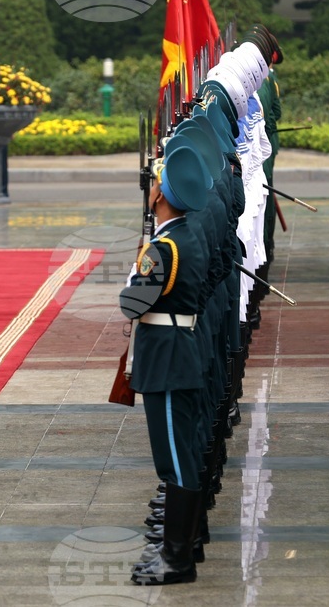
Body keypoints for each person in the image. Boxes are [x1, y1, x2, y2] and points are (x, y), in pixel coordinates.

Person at [118, 143, 212, 586]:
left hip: (168, 358)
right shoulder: (184, 236)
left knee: (174, 459)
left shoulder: (164, 248)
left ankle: (177, 559)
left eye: (156, 183)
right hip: (179, 349)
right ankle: (184, 546)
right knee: (183, 454)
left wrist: (132, 277)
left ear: (160, 196)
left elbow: (132, 303)